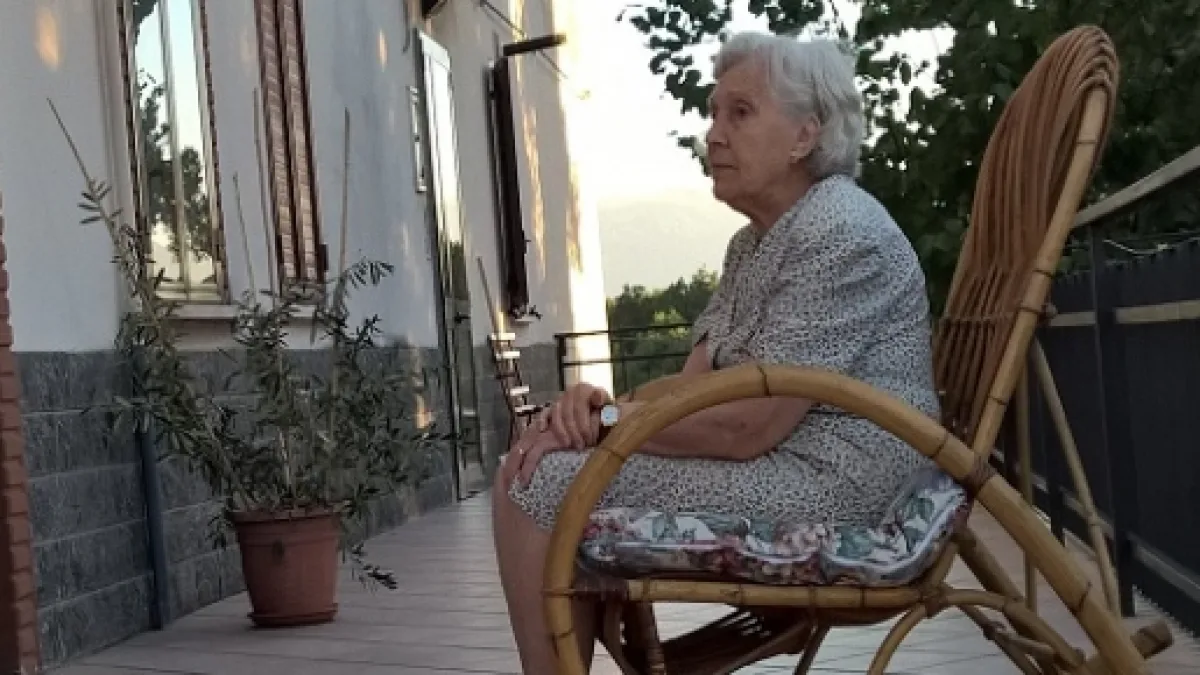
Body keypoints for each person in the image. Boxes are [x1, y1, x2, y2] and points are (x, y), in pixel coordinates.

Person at [492, 31, 941, 673]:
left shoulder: (841, 232)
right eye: (713, 112)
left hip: (843, 489)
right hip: (788, 462)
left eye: (740, 112)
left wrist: (609, 426)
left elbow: (746, 426)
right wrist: (595, 409)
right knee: (536, 465)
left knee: (538, 481)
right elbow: (694, 388)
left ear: (805, 135)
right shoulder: (752, 244)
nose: (714, 134)